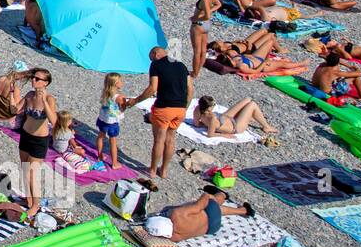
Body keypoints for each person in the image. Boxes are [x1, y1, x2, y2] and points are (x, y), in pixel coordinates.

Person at [128, 46, 191, 187]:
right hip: (180, 109)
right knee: (170, 139)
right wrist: (185, 107)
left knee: (159, 140)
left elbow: (153, 88)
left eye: (150, 57)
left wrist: (136, 100)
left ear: (156, 54)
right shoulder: (181, 65)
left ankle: (151, 170)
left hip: (163, 107)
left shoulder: (156, 64)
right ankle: (164, 171)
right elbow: (190, 88)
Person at [15, 67, 56, 218]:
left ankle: (35, 205)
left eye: (37, 79)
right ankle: (29, 199)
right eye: (33, 77)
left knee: (33, 174)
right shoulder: (30, 95)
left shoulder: (50, 99)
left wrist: (44, 101)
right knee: (25, 170)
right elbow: (15, 109)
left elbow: (54, 121)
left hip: (39, 140)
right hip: (26, 135)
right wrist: (14, 94)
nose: (33, 80)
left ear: (46, 83)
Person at [143, 186, 253, 242]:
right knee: (210, 204)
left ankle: (243, 210)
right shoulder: (177, 215)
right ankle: (222, 195)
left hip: (213, 229)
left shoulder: (173, 237)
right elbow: (200, 204)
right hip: (211, 214)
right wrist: (207, 195)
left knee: (212, 211)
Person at [193, 96, 278, 137]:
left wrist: (206, 124)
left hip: (224, 117)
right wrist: (224, 135)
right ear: (208, 107)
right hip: (236, 126)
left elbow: (197, 124)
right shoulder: (212, 118)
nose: (215, 106)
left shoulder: (198, 109)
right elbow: (210, 135)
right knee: (252, 104)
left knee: (247, 99)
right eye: (213, 105)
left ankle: (249, 117)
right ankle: (266, 127)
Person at [96, 73, 127, 168]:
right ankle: (114, 163)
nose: (122, 83)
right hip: (112, 122)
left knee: (100, 136)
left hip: (102, 119)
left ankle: (100, 156)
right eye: (120, 81)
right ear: (115, 83)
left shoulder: (106, 92)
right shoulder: (119, 97)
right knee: (113, 141)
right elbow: (122, 108)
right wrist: (126, 102)